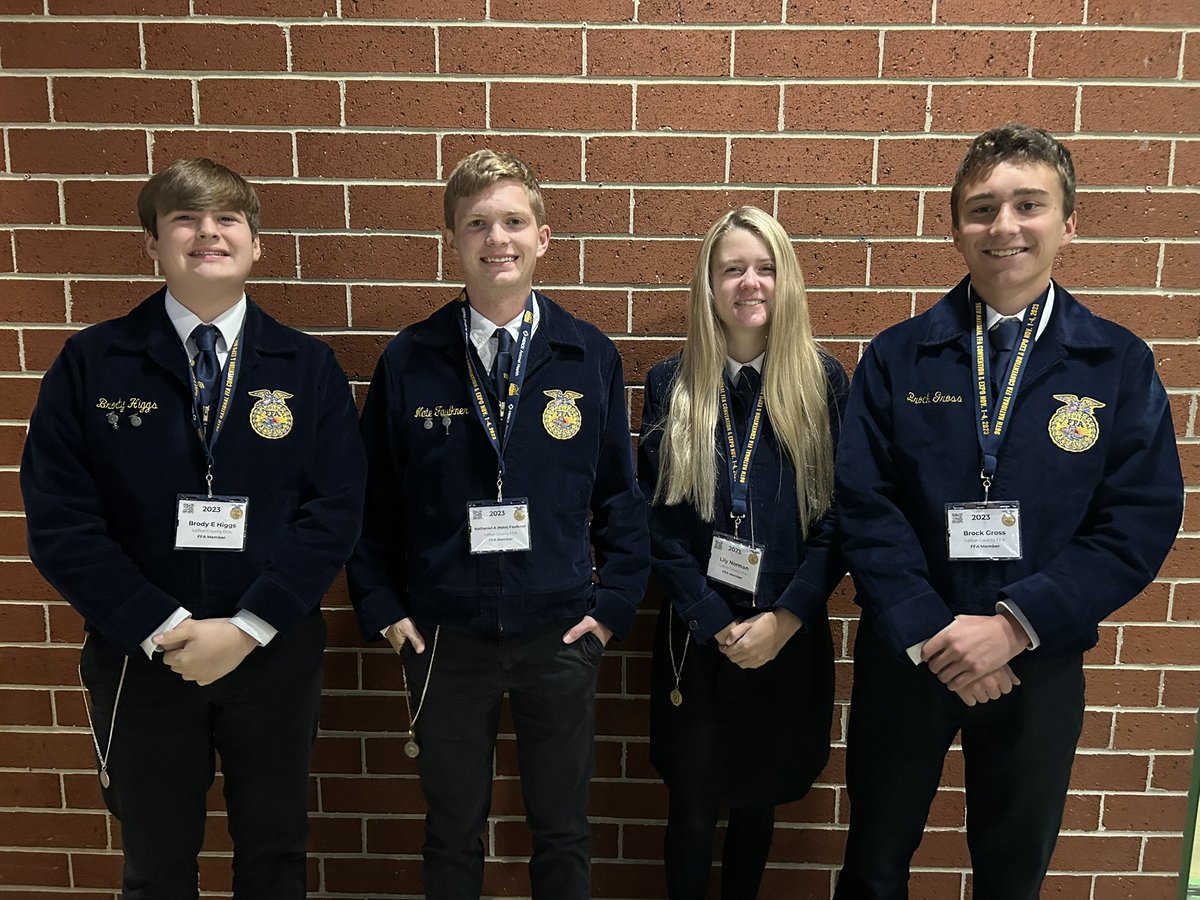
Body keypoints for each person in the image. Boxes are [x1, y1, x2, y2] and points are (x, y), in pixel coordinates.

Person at [833, 123, 1184, 899]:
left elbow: (1138, 519)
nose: (1005, 227)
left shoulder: (1115, 362)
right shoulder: (898, 356)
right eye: (983, 208)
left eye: (1029, 204)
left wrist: (1013, 626)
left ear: (1069, 222)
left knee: (1013, 870)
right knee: (874, 863)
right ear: (953, 224)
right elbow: (865, 502)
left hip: (1039, 658)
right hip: (910, 655)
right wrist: (934, 632)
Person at [20, 158, 366, 897]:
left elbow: (335, 512)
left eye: (227, 219)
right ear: (153, 244)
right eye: (185, 218)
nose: (208, 232)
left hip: (272, 655)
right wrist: (161, 624)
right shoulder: (93, 364)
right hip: (141, 657)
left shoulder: (307, 369)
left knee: (274, 852)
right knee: (155, 861)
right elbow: (60, 523)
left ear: (256, 244)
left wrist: (246, 627)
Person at [347, 149, 649, 900]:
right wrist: (384, 610)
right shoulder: (411, 360)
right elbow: (370, 504)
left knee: (562, 830)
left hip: (560, 633)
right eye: (477, 223)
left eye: (514, 221)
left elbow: (620, 495)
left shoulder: (589, 356)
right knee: (451, 830)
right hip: (445, 636)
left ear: (544, 238)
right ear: (453, 241)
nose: (498, 239)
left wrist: (610, 609)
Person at [638, 206, 848, 899]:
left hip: (785, 633)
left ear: (785, 280)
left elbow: (840, 520)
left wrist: (784, 619)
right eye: (732, 269)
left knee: (759, 798)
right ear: (709, 284)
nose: (749, 283)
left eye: (765, 267)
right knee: (692, 805)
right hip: (698, 636)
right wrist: (706, 614)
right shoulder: (672, 383)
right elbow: (654, 520)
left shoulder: (823, 383)